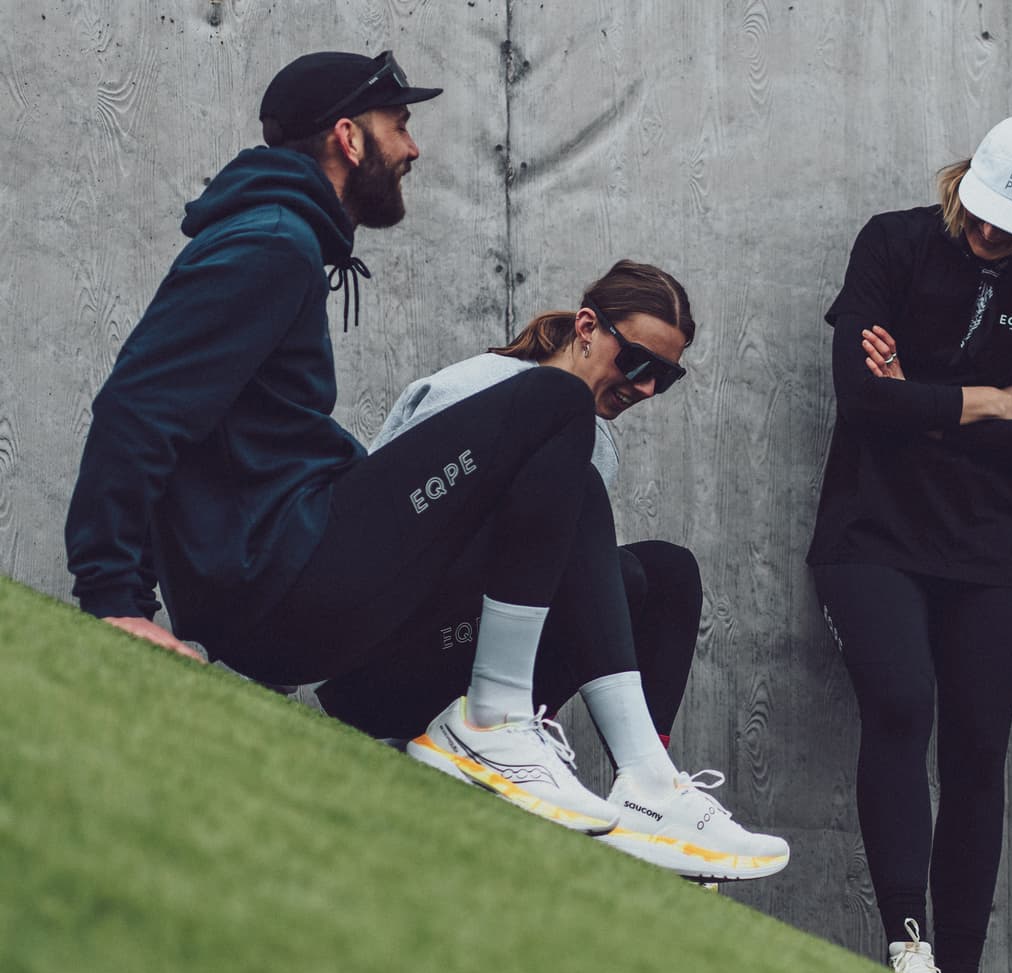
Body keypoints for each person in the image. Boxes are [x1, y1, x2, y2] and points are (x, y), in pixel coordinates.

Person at [62, 49, 783, 883]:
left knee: (579, 477)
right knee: (555, 403)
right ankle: (495, 719)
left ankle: (647, 780)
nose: (413, 148)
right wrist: (115, 596)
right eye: (399, 125)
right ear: (348, 137)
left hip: (289, 575)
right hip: (282, 581)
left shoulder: (285, 242)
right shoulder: (270, 243)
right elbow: (138, 406)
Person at [313, 260, 787, 877]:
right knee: (619, 563)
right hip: (380, 659)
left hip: (468, 657)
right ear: (587, 327)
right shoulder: (480, 391)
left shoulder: (596, 437)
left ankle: (647, 783)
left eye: (665, 379)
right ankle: (512, 735)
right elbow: (386, 530)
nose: (645, 389)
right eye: (639, 363)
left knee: (667, 572)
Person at [808, 114, 1012, 973]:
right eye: (981, 213)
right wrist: (980, 401)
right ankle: (908, 942)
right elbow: (858, 400)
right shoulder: (891, 244)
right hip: (872, 532)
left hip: (992, 551)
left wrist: (916, 399)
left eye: (1011, 224)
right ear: (963, 181)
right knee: (901, 702)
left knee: (978, 747)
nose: (990, 234)